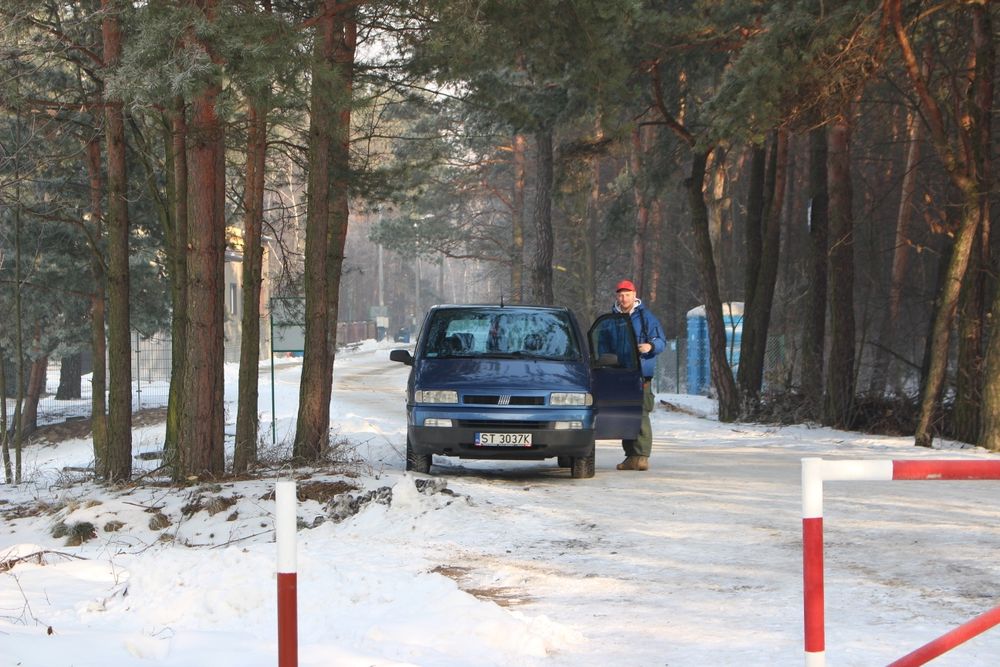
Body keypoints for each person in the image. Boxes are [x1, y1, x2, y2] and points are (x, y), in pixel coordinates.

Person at [612, 279, 666, 471]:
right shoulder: (612, 318)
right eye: (620, 294)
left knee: (641, 413)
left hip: (641, 374)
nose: (623, 298)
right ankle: (631, 456)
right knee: (625, 414)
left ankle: (641, 456)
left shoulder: (646, 317)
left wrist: (650, 346)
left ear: (634, 295)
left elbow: (661, 341)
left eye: (627, 294)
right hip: (619, 374)